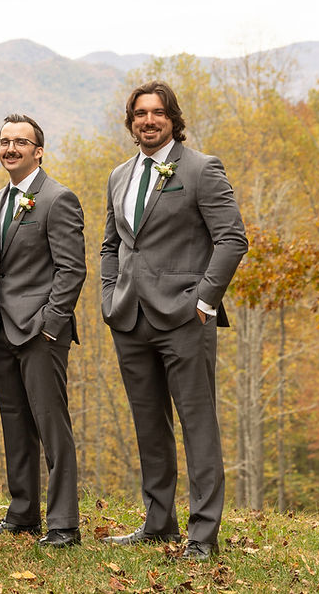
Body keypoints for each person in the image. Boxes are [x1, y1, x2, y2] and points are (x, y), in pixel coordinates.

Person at [101, 81, 248, 560]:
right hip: (129, 318)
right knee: (149, 426)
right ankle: (157, 522)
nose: (149, 120)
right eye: (140, 113)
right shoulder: (119, 175)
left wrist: (204, 301)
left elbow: (232, 239)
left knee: (197, 425)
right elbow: (111, 245)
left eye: (158, 113)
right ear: (131, 122)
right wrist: (109, 295)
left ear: (173, 119)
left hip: (186, 318)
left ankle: (203, 534)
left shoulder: (202, 169)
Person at [0, 114, 86, 547]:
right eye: (4, 141)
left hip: (41, 333)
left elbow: (71, 269)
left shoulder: (57, 198)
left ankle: (64, 523)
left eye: (20, 142)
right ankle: (23, 512)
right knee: (14, 424)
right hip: (1, 331)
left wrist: (50, 325)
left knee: (51, 427)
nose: (10, 149)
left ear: (38, 151)